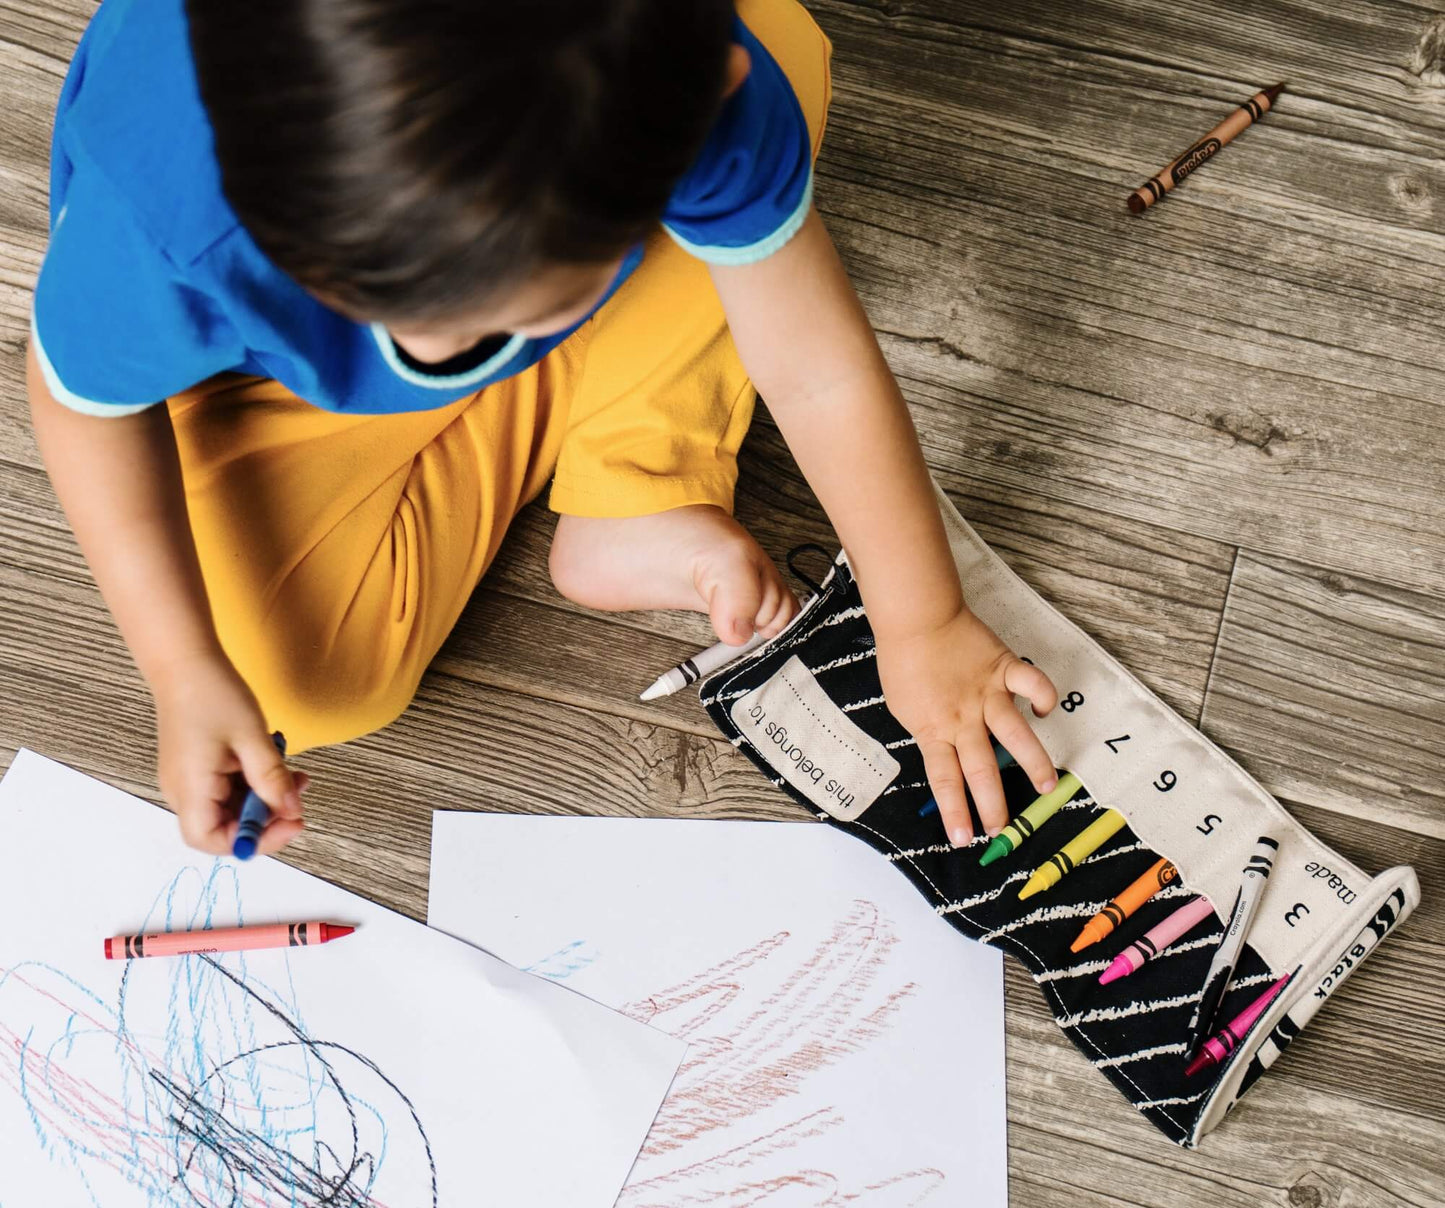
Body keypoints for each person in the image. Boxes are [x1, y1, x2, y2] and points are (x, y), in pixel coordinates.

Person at [26, 0, 1059, 858]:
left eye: (522, 314)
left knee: (780, 38)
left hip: (577, 170)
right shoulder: (164, 224)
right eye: (436, 324)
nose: (475, 356)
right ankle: (617, 432)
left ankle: (634, 481)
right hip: (279, 382)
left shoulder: (677, 73)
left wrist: (920, 616)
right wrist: (177, 668)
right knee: (280, 682)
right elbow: (78, 407)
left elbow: (818, 363)